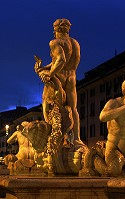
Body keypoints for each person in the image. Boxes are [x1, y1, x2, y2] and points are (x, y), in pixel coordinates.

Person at [34, 18, 84, 148]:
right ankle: (77, 140)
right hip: (72, 78)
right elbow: (61, 61)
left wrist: (49, 74)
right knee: (73, 109)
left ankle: (53, 138)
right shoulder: (75, 43)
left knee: (47, 104)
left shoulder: (55, 42)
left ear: (55, 30)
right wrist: (45, 67)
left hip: (59, 77)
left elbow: (61, 60)